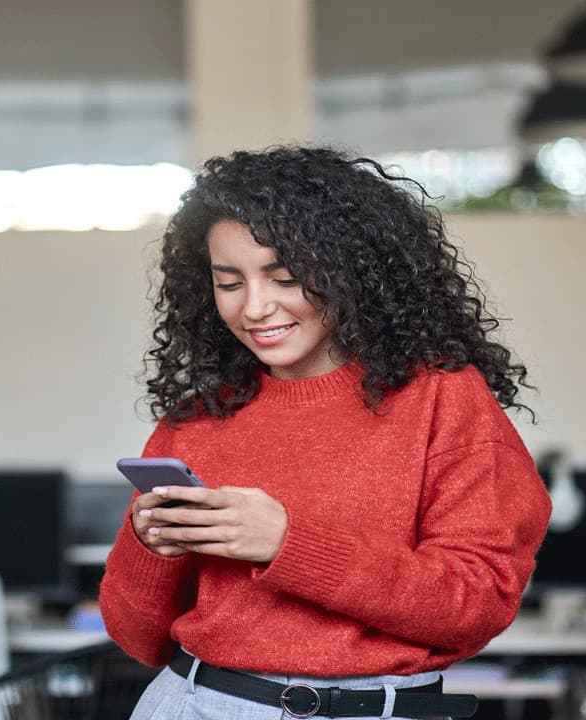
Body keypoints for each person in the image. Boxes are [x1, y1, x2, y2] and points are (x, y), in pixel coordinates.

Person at [99, 145, 552, 720]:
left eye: (285, 277)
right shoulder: (197, 419)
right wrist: (150, 550)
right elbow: (136, 639)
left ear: (352, 272)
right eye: (229, 282)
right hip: (192, 703)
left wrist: (290, 544)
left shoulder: (442, 398)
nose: (256, 307)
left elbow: (478, 603)